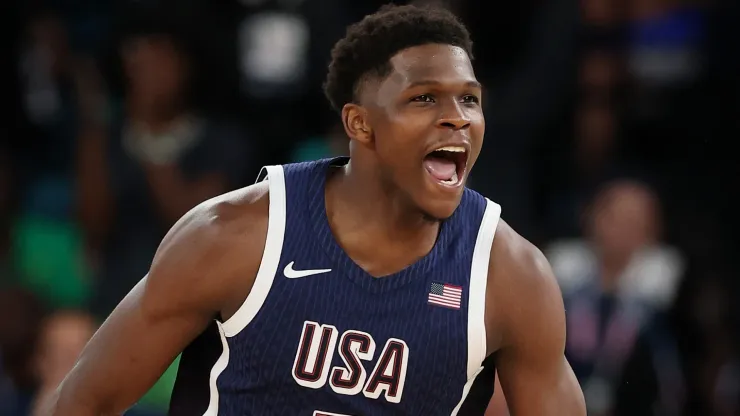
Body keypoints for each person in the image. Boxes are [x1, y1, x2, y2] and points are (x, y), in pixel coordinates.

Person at [46, 4, 585, 415]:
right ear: (359, 124)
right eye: (425, 98)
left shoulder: (510, 276)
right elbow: (84, 403)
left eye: (469, 99)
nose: (457, 118)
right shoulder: (234, 235)